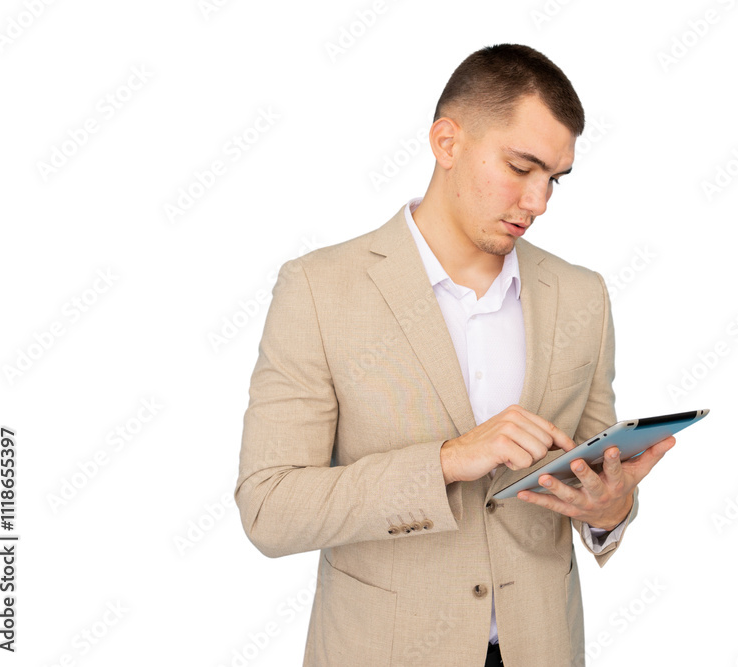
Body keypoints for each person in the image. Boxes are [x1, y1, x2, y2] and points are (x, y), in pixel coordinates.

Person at [235, 43, 677, 666]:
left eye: (554, 179)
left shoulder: (583, 295)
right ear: (447, 142)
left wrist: (612, 508)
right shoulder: (318, 289)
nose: (539, 202)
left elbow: (595, 471)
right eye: (521, 167)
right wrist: (447, 460)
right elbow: (270, 509)